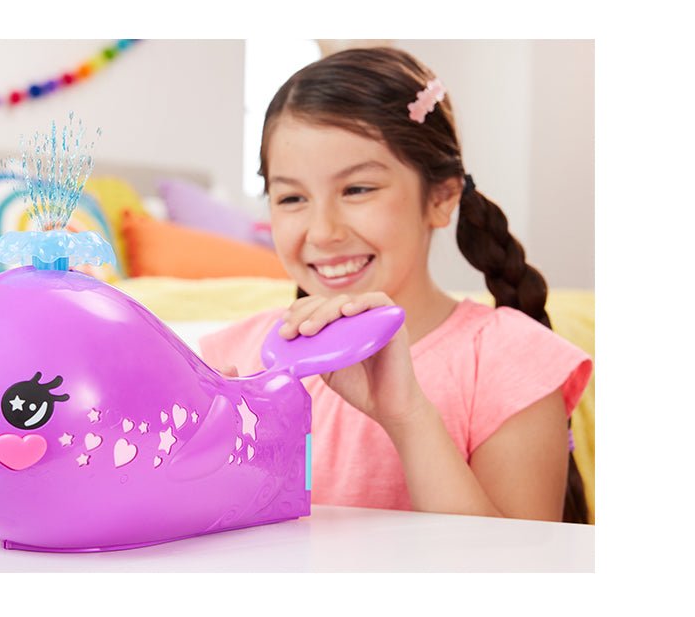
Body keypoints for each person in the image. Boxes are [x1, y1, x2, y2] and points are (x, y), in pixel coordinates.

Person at [200, 47, 593, 522]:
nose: (322, 232)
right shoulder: (233, 358)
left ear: (441, 198)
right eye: (291, 198)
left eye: (357, 189)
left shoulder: (513, 362)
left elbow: (512, 561)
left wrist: (407, 416)